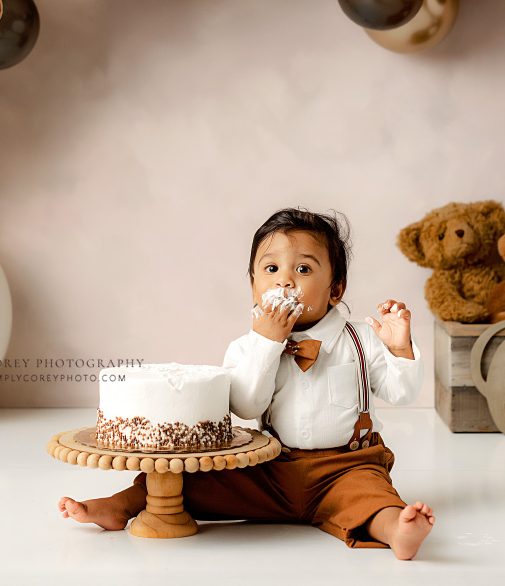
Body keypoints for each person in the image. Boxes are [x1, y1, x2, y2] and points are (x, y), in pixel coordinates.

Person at [59, 208, 435, 560]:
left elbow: (401, 392)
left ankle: (396, 529)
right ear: (254, 287)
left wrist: (399, 348)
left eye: (303, 269)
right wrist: (267, 343)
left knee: (371, 496)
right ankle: (121, 505)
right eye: (271, 268)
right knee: (189, 478)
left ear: (335, 290)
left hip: (346, 467)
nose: (285, 280)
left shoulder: (362, 339)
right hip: (271, 468)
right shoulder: (245, 348)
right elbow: (246, 406)